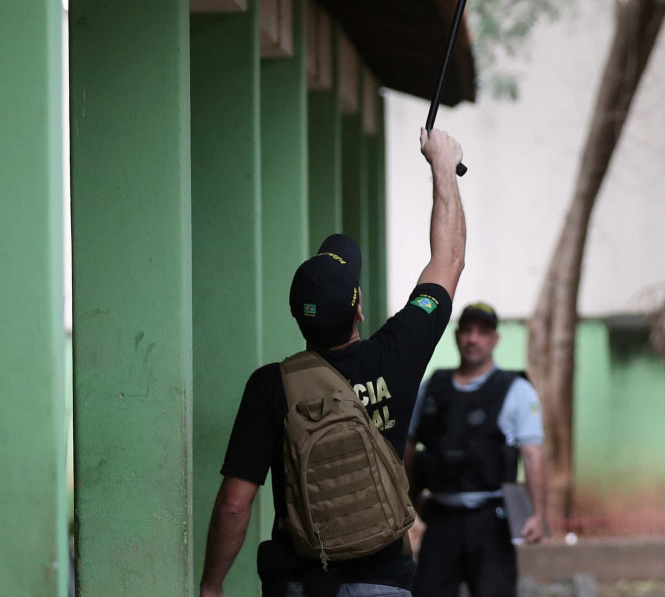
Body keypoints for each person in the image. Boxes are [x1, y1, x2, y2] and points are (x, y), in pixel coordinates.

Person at [197, 128, 467, 597]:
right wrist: (442, 166)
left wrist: (212, 584)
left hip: (299, 580)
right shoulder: (398, 351)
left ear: (297, 319)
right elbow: (449, 259)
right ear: (359, 309)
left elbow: (235, 505)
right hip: (381, 579)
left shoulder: (270, 386)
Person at [405, 302, 548, 597]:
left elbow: (533, 454)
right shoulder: (433, 386)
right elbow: (408, 447)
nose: (473, 338)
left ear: (495, 339)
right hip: (440, 517)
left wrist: (538, 513)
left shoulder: (516, 390)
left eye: (482, 332)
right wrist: (406, 504)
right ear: (457, 336)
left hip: (491, 519)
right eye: (467, 331)